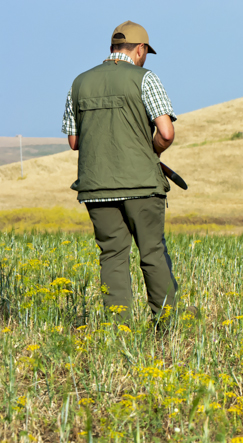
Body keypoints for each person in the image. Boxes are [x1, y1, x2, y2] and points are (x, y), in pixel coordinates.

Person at [61, 21, 179, 326]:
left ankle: (118, 331)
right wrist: (152, 151)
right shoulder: (145, 78)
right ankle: (166, 325)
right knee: (152, 253)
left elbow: (74, 141)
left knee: (112, 255)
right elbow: (166, 133)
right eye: (145, 53)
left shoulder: (79, 83)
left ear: (113, 47)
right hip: (142, 184)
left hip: (96, 186)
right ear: (140, 49)